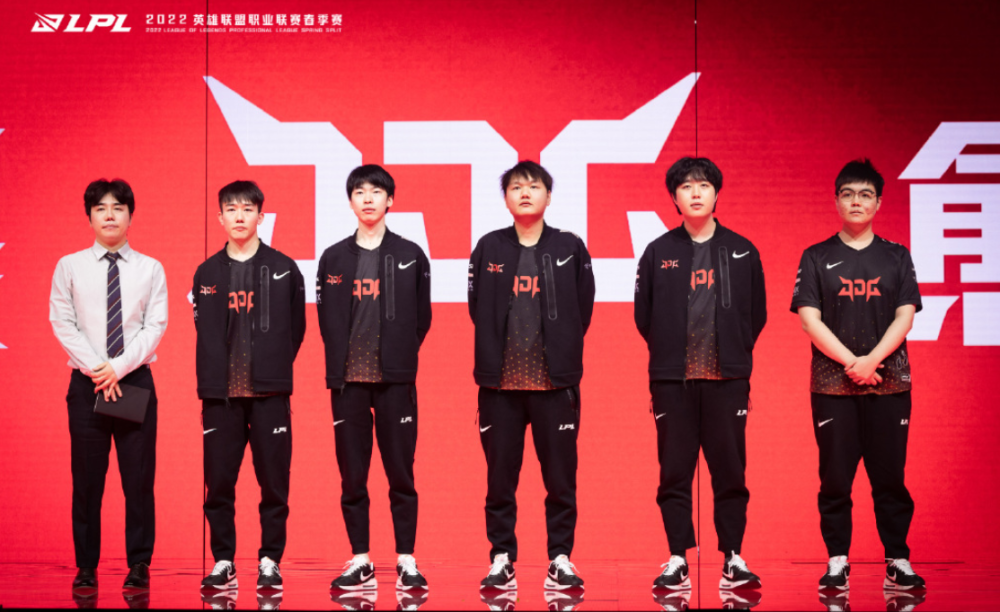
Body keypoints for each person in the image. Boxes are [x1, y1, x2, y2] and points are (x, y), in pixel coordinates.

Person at [792, 159, 925, 593]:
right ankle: (837, 562)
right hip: (833, 388)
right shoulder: (816, 256)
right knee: (835, 481)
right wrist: (853, 362)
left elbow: (905, 317)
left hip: (890, 386)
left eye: (865, 195)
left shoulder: (896, 255)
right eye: (848, 194)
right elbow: (809, 320)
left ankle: (897, 560)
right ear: (836, 200)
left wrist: (873, 362)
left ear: (878, 203)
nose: (856, 202)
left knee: (890, 479)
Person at [634, 157, 767, 592]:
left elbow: (757, 314)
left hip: (727, 381)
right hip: (673, 383)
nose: (695, 193)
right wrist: (671, 356)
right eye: (686, 186)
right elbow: (644, 316)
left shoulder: (743, 250)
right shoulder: (658, 252)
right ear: (674, 197)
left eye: (704, 185)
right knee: (674, 473)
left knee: (730, 472)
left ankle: (733, 557)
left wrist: (734, 353)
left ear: (716, 193)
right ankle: (677, 558)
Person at [468, 160, 595, 591]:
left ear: (549, 196)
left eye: (534, 186)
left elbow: (583, 308)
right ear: (505, 198)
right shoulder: (489, 247)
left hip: (555, 386)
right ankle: (501, 558)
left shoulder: (569, 246)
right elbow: (477, 307)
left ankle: (560, 558)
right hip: (499, 387)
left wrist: (561, 349)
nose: (525, 192)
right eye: (516, 187)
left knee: (560, 480)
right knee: (499, 481)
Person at [317, 165, 432, 592]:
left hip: (395, 382)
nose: (368, 199)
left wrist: (399, 357)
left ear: (390, 200)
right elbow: (326, 320)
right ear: (350, 201)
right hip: (348, 382)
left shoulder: (411, 254)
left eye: (376, 192)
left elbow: (422, 318)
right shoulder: (333, 258)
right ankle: (361, 559)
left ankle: (406, 559)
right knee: (352, 475)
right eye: (360, 192)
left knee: (401, 473)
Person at [50, 178, 168, 590]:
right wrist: (100, 370)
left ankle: (139, 564)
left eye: (118, 208)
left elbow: (155, 326)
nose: (110, 215)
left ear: (131, 216)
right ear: (89, 217)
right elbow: (62, 322)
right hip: (88, 386)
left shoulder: (150, 268)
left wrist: (117, 368)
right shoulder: (69, 266)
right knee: (87, 481)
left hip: (133, 382)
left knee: (138, 480)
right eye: (101, 208)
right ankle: (86, 566)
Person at [193, 180, 306, 591]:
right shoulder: (206, 273)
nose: (239, 217)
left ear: (261, 215)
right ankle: (223, 560)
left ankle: (270, 561)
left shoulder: (284, 268)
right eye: (231, 209)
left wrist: (272, 369)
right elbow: (203, 329)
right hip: (220, 397)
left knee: (274, 484)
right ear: (220, 217)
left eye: (247, 209)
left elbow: (296, 329)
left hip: (269, 396)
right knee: (219, 484)